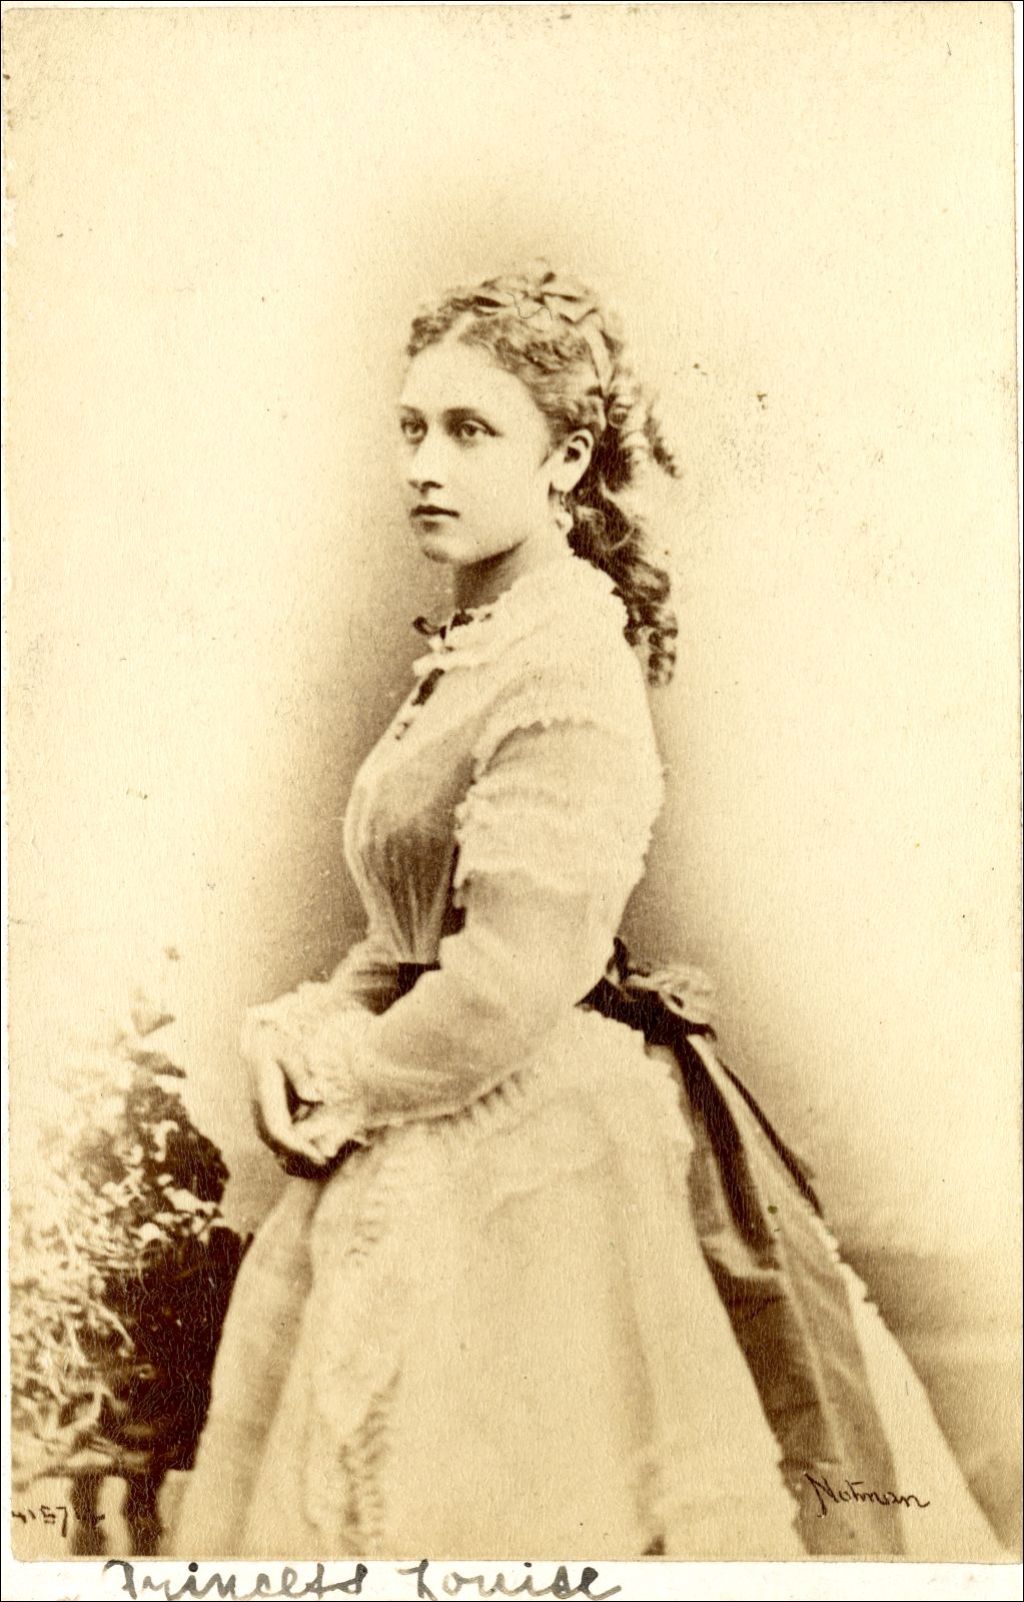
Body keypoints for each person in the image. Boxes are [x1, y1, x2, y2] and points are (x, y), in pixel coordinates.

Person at [173, 263, 1003, 1562]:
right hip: (432, 1095)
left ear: (564, 459)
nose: (425, 465)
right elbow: (414, 930)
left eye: (470, 430)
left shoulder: (564, 655)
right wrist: (314, 1021)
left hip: (534, 1141)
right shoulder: (479, 643)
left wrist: (343, 1070)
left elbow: (508, 978)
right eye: (411, 427)